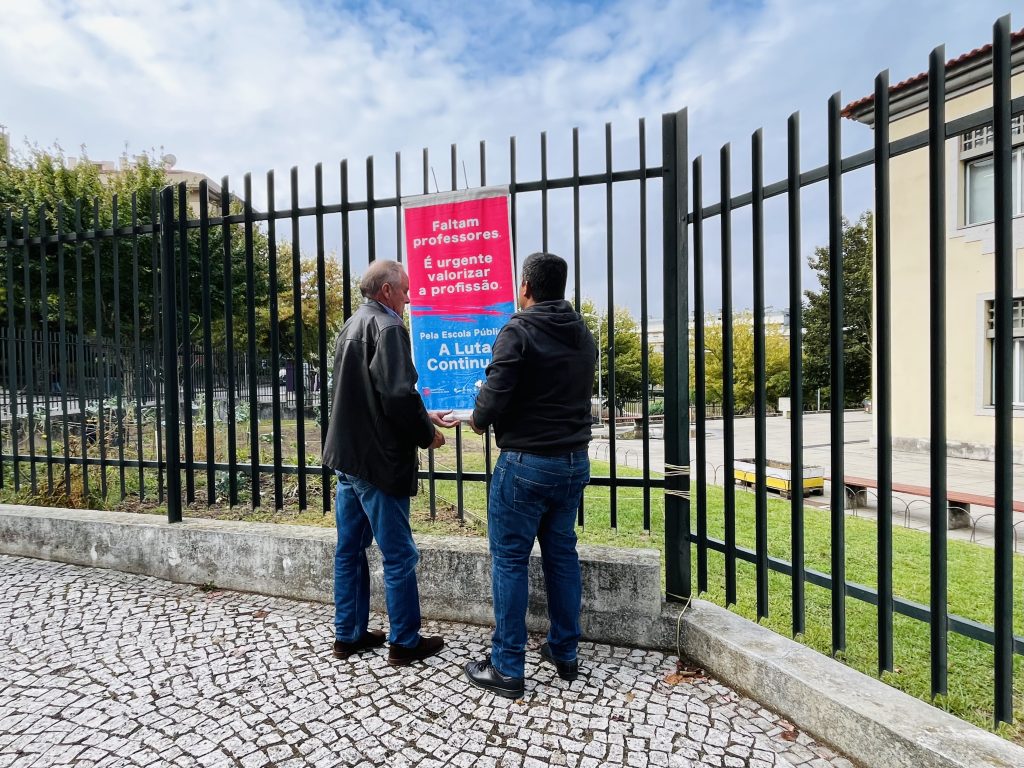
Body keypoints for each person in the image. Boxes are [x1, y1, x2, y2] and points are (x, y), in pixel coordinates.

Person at [464, 252, 596, 698]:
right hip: (574, 461)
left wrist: (476, 416)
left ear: (526, 286)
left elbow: (493, 401)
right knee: (562, 556)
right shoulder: (583, 335)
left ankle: (506, 667)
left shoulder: (517, 330)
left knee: (510, 561)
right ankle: (564, 650)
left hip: (525, 464)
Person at [322, 259, 458, 666]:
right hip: (378, 463)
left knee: (349, 550)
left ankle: (347, 636)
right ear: (386, 291)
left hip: (348, 458)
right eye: (405, 290)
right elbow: (397, 396)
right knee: (398, 555)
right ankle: (404, 641)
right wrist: (427, 434)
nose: (409, 297)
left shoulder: (351, 325)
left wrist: (424, 412)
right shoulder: (390, 327)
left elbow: (373, 393)